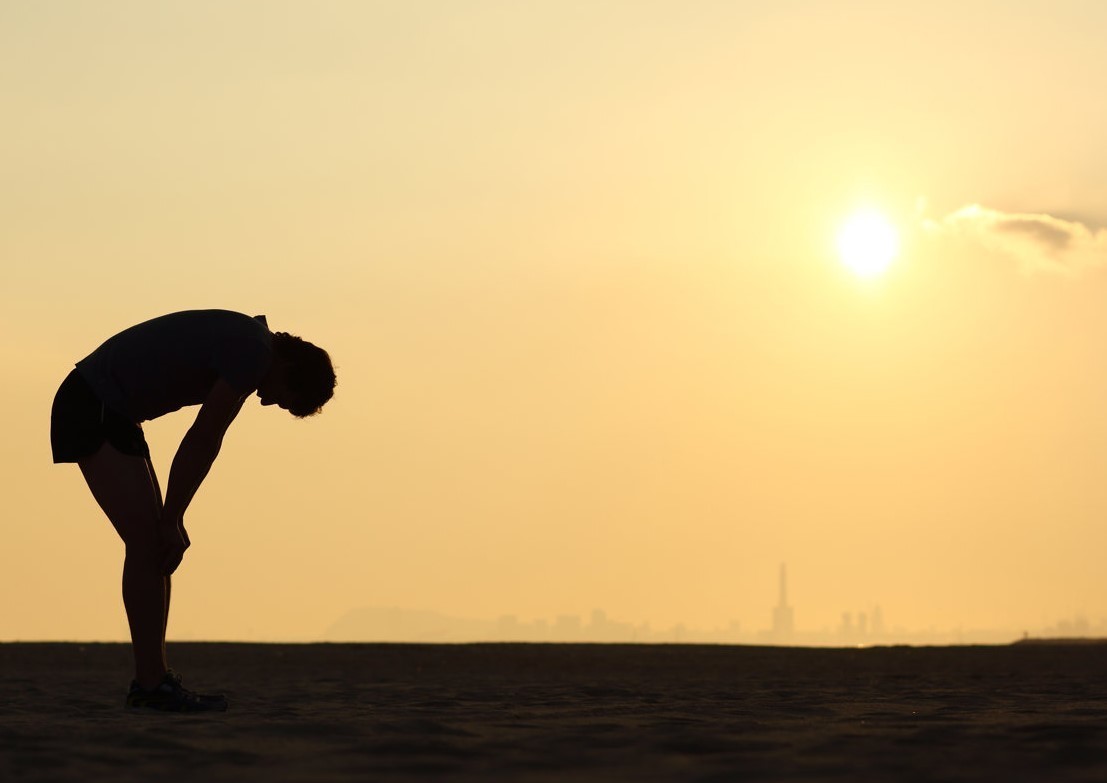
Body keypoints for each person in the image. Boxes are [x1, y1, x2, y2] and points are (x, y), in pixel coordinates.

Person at [50, 310, 336, 712]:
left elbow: (207, 442)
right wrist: (172, 518)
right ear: (289, 366)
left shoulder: (252, 347)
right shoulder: (253, 352)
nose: (268, 401)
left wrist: (173, 517)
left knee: (155, 548)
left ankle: (154, 680)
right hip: (91, 404)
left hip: (109, 410)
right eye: (282, 397)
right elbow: (203, 438)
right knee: (149, 542)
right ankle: (150, 685)